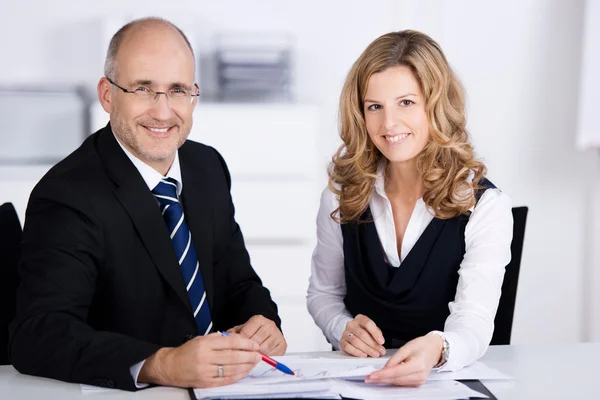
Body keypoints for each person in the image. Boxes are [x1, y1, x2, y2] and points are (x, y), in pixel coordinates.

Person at [9, 17, 286, 391]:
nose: (162, 111)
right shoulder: (67, 195)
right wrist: (162, 364)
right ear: (107, 95)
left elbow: (238, 282)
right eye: (143, 88)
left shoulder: (207, 167)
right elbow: (40, 334)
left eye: (177, 90)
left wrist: (263, 320)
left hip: (222, 389)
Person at [307, 30, 513, 387]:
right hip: (360, 382)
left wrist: (437, 348)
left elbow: (474, 320)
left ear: (436, 104)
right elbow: (323, 294)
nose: (388, 124)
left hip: (443, 384)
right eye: (375, 106)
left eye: (406, 102)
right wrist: (342, 328)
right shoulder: (341, 196)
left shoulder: (485, 206)